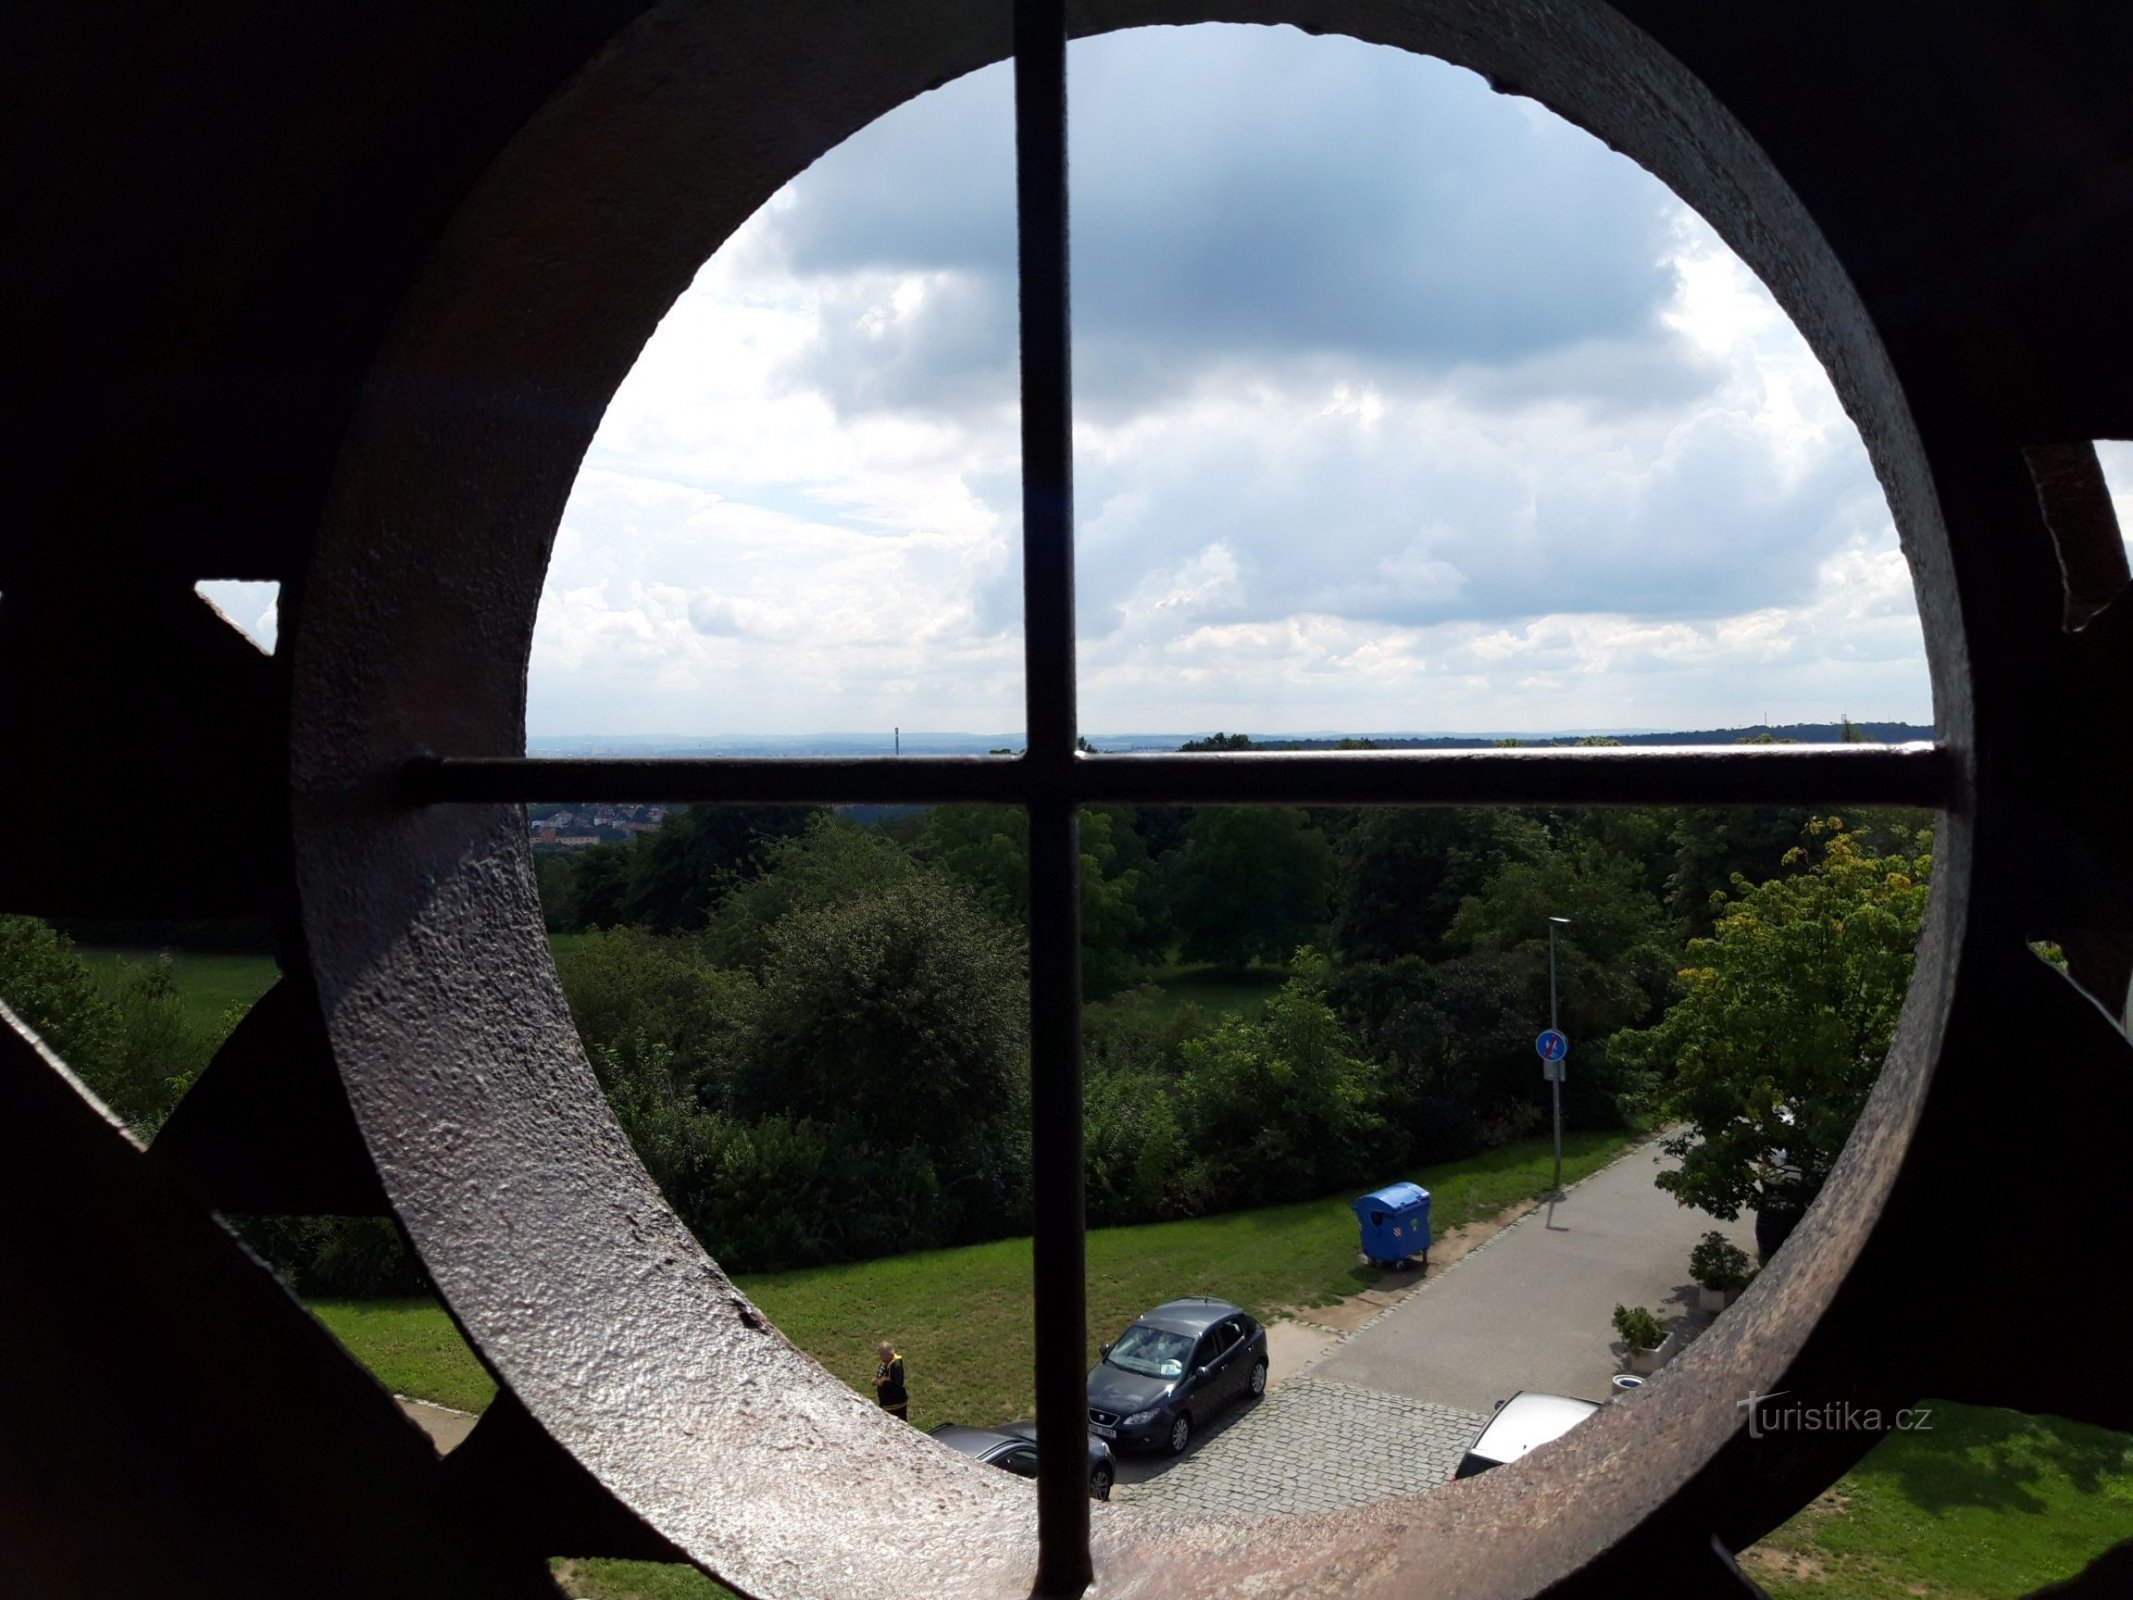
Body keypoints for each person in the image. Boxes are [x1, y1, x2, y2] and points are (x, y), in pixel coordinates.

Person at [872, 1340, 908, 1421]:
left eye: (882, 1354)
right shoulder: (886, 1363)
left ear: (889, 1354)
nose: (880, 1357)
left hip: (895, 1404)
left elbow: (896, 1384)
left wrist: (880, 1382)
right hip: (887, 1403)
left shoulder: (896, 1366)